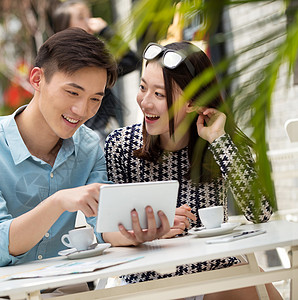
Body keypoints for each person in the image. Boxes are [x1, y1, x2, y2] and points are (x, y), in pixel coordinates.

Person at [0, 28, 170, 299]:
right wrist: (58, 202)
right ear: (37, 79)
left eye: (95, 99)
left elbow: (104, 226)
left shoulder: (89, 146)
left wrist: (138, 232)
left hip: (64, 291)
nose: (82, 111)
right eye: (72, 92)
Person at [103, 42, 281, 299]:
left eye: (160, 95)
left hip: (214, 273)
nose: (145, 102)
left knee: (255, 286)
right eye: (143, 88)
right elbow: (108, 232)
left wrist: (219, 139)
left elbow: (261, 213)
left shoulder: (218, 142)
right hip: (149, 281)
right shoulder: (120, 146)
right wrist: (150, 229)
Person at [52, 0, 141, 145]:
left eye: (89, 16)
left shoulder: (86, 60)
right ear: (66, 28)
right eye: (81, 17)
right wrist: (106, 31)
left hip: (99, 135)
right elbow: (131, 61)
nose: (90, 22)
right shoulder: (79, 64)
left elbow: (131, 62)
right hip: (94, 139)